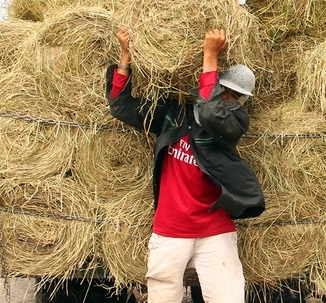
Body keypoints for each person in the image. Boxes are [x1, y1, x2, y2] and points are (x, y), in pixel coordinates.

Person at [106, 27, 265, 303]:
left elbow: (209, 111)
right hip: (170, 229)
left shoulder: (235, 123)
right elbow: (120, 106)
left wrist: (210, 54)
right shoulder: (174, 113)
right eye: (225, 91)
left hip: (215, 229)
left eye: (233, 96)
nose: (227, 98)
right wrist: (125, 55)